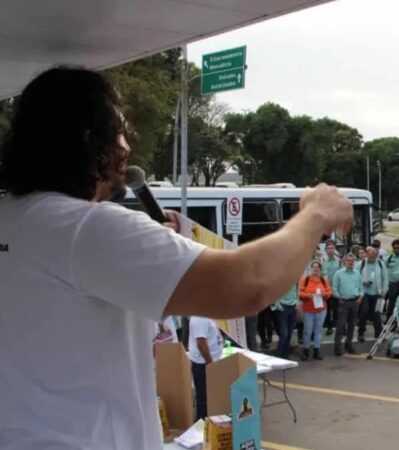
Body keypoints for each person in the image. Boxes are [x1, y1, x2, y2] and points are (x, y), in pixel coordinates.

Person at [0, 68, 353, 450]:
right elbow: (247, 284)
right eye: (119, 129)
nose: (126, 146)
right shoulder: (86, 228)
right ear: (90, 141)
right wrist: (314, 215)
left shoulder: (15, 218)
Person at [188, 316, 223, 420]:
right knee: (204, 398)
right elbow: (201, 344)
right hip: (204, 364)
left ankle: (207, 423)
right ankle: (202, 424)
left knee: (209, 396)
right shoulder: (200, 318)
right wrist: (210, 362)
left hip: (209, 362)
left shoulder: (207, 315)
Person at [298, 261, 333, 361]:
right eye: (313, 267)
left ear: (320, 269)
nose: (315, 269)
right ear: (310, 268)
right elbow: (299, 293)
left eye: (317, 267)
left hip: (321, 309)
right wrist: (307, 295)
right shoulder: (305, 279)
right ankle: (305, 351)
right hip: (308, 310)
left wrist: (324, 294)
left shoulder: (323, 280)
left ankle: (316, 351)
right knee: (307, 331)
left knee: (318, 331)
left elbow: (329, 291)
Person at [332, 254, 364, 356]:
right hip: (343, 302)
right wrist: (339, 298)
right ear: (344, 262)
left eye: (352, 261)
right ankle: (337, 347)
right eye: (348, 261)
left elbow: (361, 287)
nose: (350, 262)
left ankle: (348, 344)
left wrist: (360, 297)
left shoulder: (357, 274)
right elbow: (334, 288)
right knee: (341, 325)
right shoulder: (339, 274)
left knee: (352, 325)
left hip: (355, 302)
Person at [357, 247, 388, 342]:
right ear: (366, 254)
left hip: (377, 293)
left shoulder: (380, 263)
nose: (373, 259)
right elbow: (355, 278)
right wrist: (363, 281)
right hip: (364, 293)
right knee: (364, 312)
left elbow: (385, 278)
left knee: (377, 314)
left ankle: (378, 334)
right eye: (371, 257)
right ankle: (361, 333)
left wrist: (384, 291)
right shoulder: (360, 264)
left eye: (374, 257)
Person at [272, 284, 299, 359]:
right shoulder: (281, 280)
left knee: (289, 333)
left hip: (293, 307)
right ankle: (278, 355)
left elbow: (296, 291)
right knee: (284, 334)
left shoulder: (293, 279)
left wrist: (297, 302)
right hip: (282, 307)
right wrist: (278, 306)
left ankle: (286, 355)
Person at [321, 241, 341, 336]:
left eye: (332, 248)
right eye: (329, 248)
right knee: (327, 309)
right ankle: (329, 327)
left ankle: (336, 325)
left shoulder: (338, 261)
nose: (331, 250)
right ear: (326, 250)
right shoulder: (322, 261)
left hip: (336, 289)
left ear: (335, 249)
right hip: (325, 289)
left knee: (337, 309)